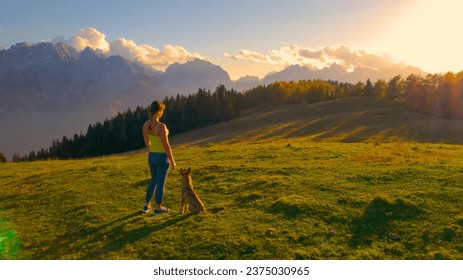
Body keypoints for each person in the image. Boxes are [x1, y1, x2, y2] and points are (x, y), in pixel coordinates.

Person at [142, 100, 177, 215]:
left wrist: (152, 152)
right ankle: (158, 208)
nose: (162, 113)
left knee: (153, 181)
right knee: (160, 183)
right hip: (162, 157)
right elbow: (166, 146)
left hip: (151, 156)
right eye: (162, 110)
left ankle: (146, 206)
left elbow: (147, 144)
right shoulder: (161, 126)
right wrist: (173, 161)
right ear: (158, 112)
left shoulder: (146, 125)